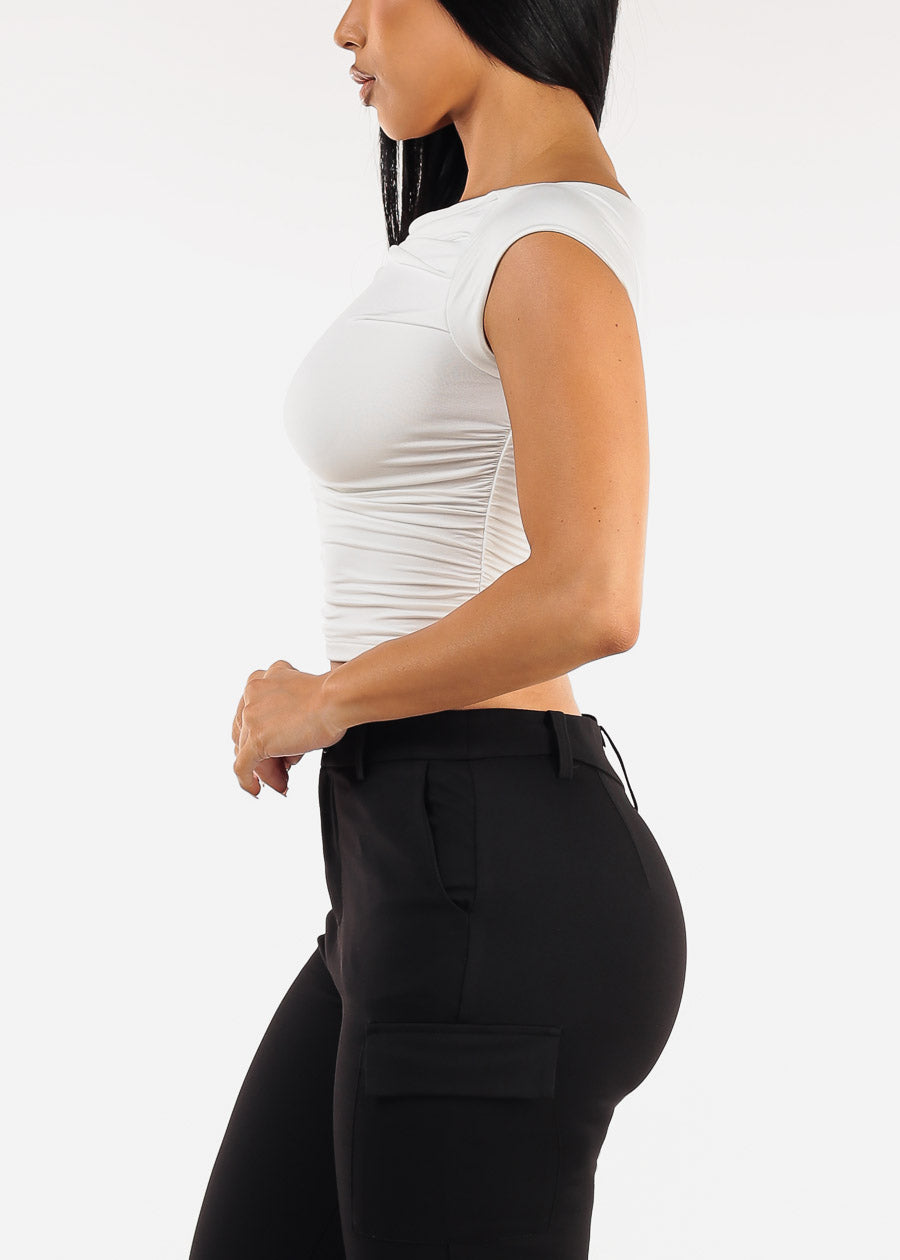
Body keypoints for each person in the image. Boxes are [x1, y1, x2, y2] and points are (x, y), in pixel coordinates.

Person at [189, 1, 688, 1256]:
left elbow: (593, 591)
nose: (345, 27)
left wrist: (327, 697)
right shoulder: (478, 229)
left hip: (488, 870)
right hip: (408, 870)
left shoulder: (550, 237)